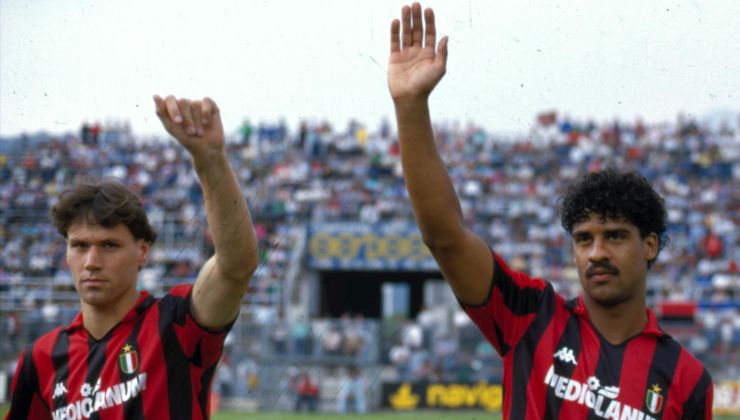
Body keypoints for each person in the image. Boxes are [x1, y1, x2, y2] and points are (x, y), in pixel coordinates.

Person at [388, 3, 713, 419]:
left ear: (649, 244)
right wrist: (411, 105)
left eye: (614, 235)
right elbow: (445, 238)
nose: (596, 252)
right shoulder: (532, 317)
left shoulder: (686, 379)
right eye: (583, 239)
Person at [5, 95, 259, 419]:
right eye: (79, 246)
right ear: (66, 254)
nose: (92, 261)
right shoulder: (40, 359)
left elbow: (236, 266)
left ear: (142, 252)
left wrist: (209, 162)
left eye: (109, 245)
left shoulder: (176, 324)